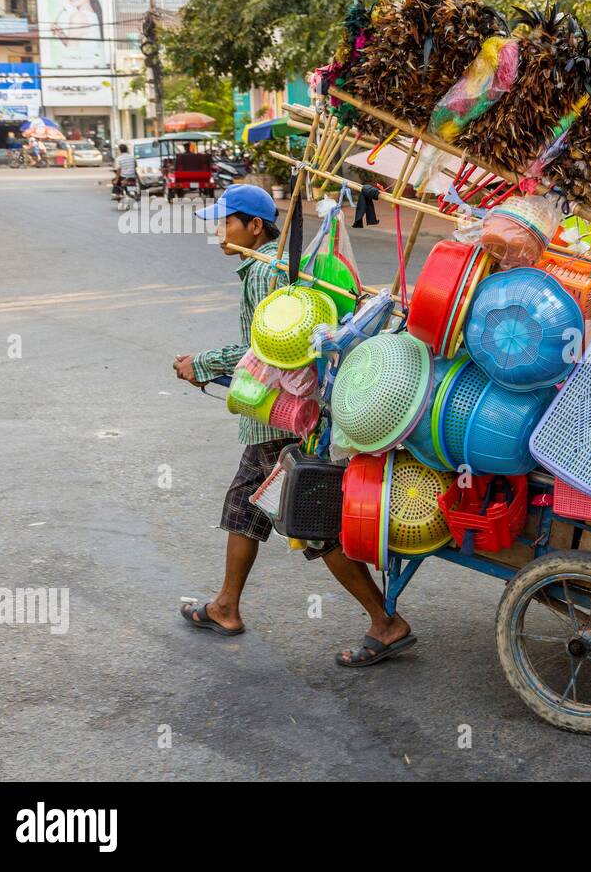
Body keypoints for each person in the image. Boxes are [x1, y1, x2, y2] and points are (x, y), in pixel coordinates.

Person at [174, 184, 416, 667]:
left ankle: (386, 622)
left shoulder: (265, 273)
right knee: (245, 505)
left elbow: (260, 350)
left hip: (280, 417)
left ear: (255, 225)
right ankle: (225, 606)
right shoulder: (267, 267)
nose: (219, 232)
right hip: (277, 415)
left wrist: (201, 364)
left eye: (227, 222)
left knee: (313, 526)